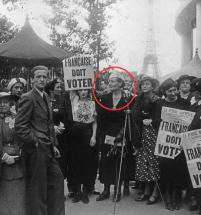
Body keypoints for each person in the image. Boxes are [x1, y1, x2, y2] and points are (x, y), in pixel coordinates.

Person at [15, 65, 65, 215]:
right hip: (36, 150)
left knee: (57, 182)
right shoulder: (28, 97)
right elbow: (20, 127)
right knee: (38, 190)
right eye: (39, 77)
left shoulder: (46, 96)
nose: (42, 79)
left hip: (48, 148)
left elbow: (49, 124)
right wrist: (35, 142)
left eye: (45, 77)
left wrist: (53, 144)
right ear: (32, 80)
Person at [96, 71, 138, 202]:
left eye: (114, 81)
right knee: (106, 161)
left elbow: (130, 119)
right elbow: (101, 118)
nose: (110, 83)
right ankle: (106, 190)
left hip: (121, 133)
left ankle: (117, 191)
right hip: (107, 133)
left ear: (121, 84)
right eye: (110, 81)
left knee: (119, 162)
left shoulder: (128, 99)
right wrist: (101, 135)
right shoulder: (105, 98)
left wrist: (123, 134)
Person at [155, 78, 190, 211]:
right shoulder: (160, 103)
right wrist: (162, 121)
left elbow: (189, 120)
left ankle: (176, 198)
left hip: (179, 143)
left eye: (175, 90)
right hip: (165, 143)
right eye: (170, 91)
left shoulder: (184, 103)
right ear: (164, 91)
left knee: (178, 172)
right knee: (165, 171)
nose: (173, 93)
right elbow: (155, 121)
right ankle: (167, 198)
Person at [134, 76, 160, 204]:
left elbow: (161, 117)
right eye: (142, 84)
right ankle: (147, 189)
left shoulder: (157, 100)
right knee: (143, 161)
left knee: (153, 160)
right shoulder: (138, 99)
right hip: (142, 133)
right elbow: (135, 116)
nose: (144, 86)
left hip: (154, 133)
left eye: (147, 84)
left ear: (152, 86)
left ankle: (156, 191)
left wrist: (152, 121)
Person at [68, 89, 97, 204]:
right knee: (76, 163)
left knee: (86, 163)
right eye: (80, 90)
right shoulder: (74, 100)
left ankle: (85, 191)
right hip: (75, 134)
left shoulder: (92, 103)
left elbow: (95, 121)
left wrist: (93, 136)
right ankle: (77, 191)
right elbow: (71, 87)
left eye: (85, 90)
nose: (83, 92)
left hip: (87, 133)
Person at [0, 90, 26, 215]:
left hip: (17, 162)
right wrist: (4, 156)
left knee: (17, 196)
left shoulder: (15, 118)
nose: (3, 105)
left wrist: (17, 118)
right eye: (0, 102)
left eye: (6, 102)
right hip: (3, 162)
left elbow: (22, 137)